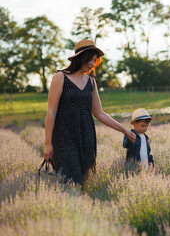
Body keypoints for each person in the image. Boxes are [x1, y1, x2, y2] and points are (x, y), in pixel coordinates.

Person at [44, 39, 135, 185]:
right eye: (90, 59)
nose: (93, 64)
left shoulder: (91, 81)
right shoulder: (60, 77)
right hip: (64, 136)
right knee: (71, 178)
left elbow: (99, 113)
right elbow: (51, 111)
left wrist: (125, 131)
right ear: (80, 57)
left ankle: (81, 206)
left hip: (86, 135)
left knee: (85, 179)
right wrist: (48, 144)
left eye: (95, 60)